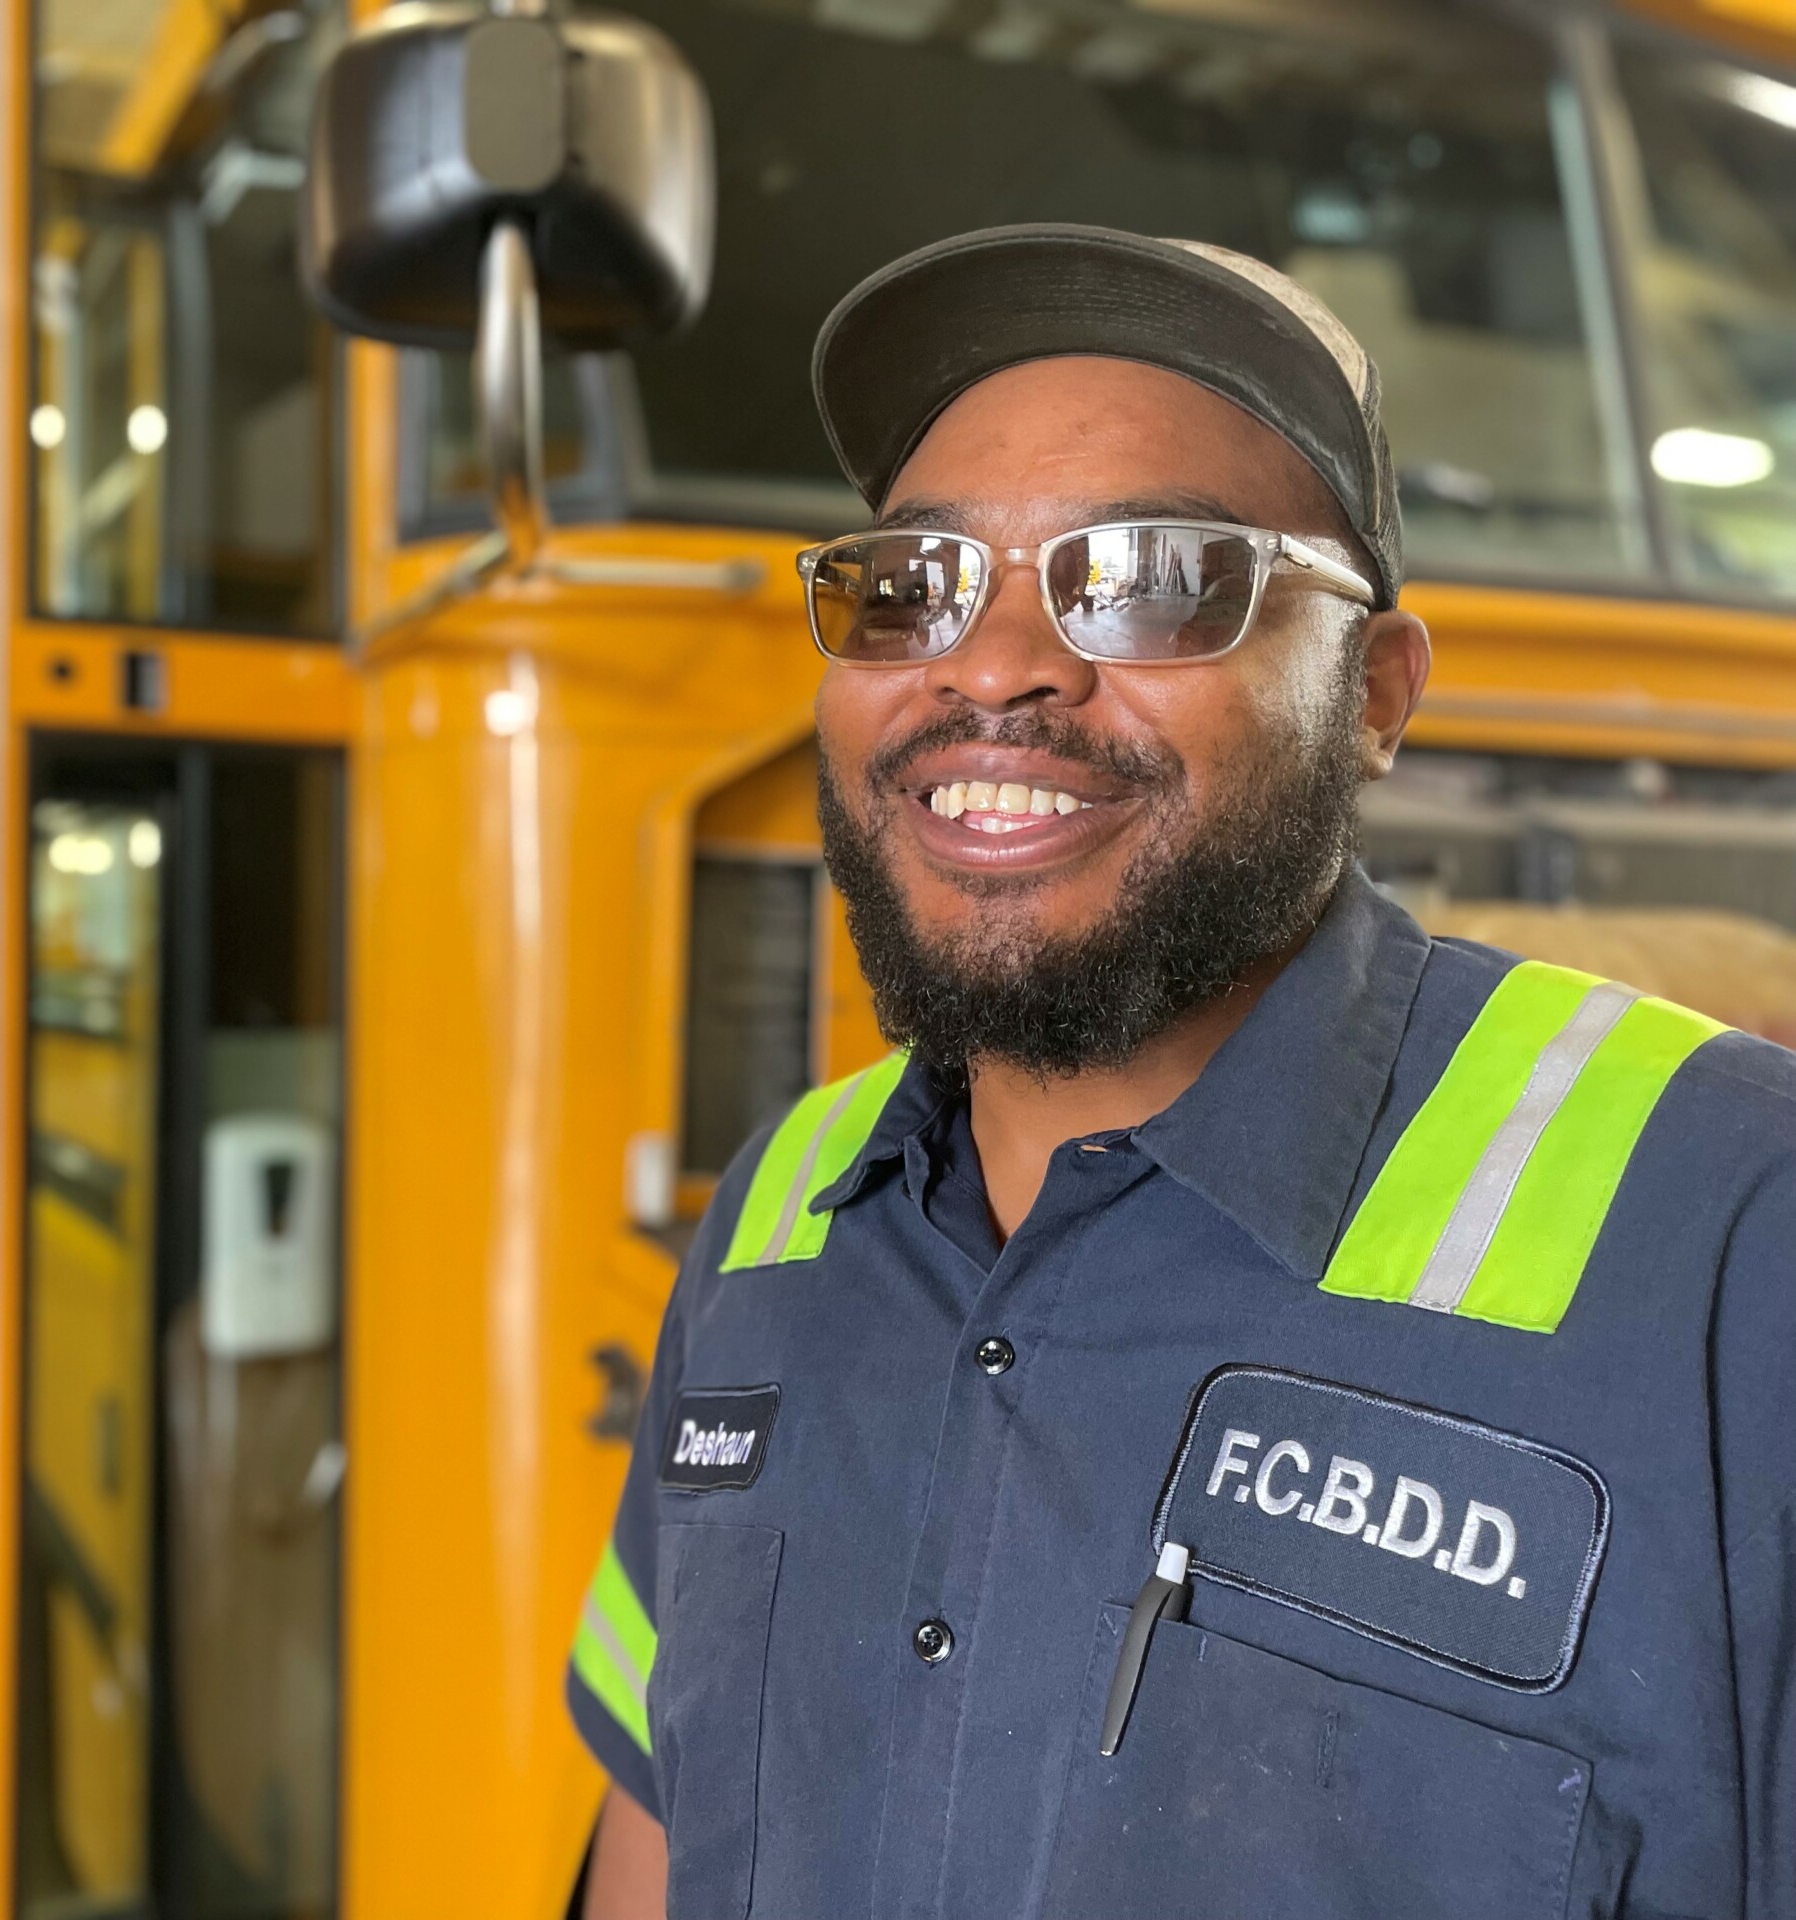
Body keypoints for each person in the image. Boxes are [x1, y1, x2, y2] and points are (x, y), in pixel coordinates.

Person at [566, 224, 1796, 1919]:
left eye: (1149, 577)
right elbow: (661, 1827)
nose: (990, 666)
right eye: (910, 585)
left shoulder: (1738, 1241)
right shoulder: (782, 1213)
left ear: (1373, 694)